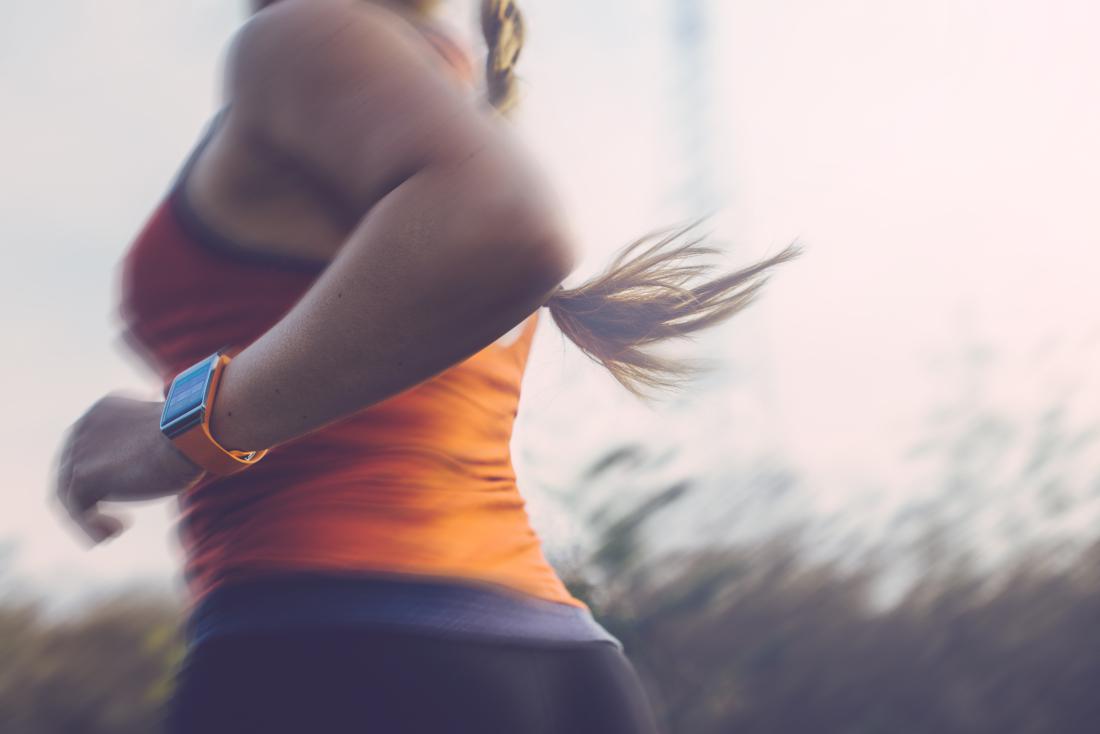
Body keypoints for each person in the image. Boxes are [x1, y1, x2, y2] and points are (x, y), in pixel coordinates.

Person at [52, 0, 797, 731]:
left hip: (336, 664)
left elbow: (505, 219)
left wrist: (177, 435)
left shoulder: (301, 34)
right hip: (552, 668)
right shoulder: (434, 80)